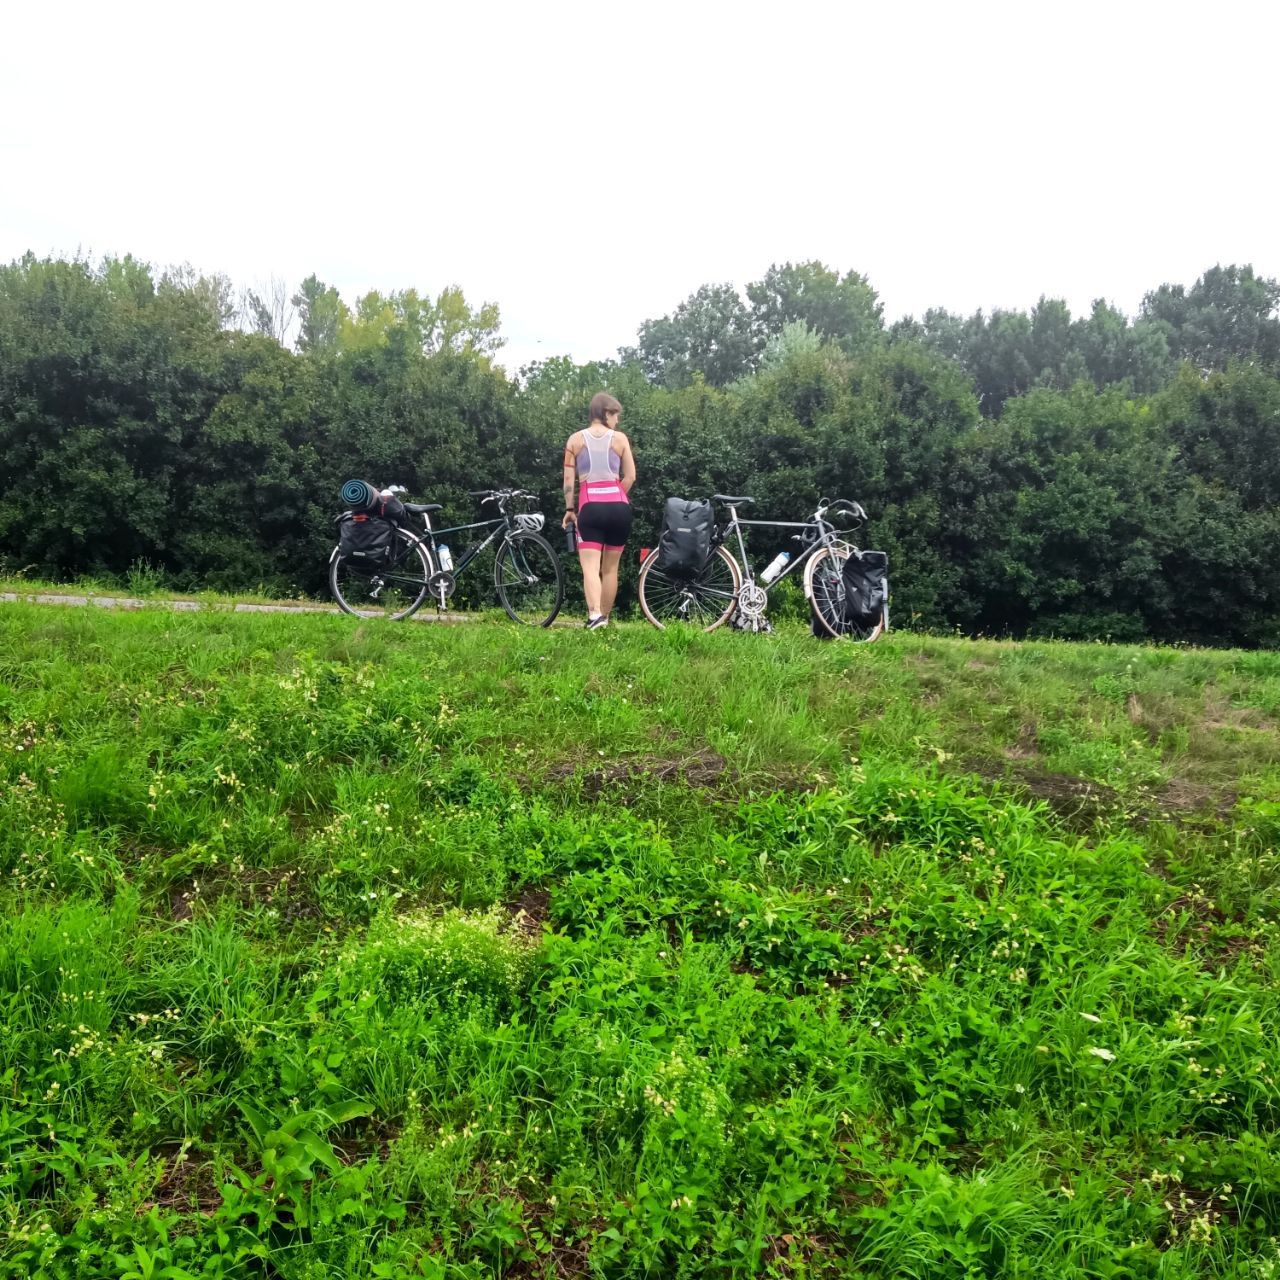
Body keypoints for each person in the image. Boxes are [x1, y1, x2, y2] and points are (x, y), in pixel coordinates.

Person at [562, 392, 636, 629]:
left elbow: (567, 480)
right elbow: (631, 476)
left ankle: (595, 616)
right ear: (604, 413)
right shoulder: (621, 439)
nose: (617, 420)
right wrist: (617, 495)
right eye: (615, 414)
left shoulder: (574, 440)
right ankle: (606, 617)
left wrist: (570, 509)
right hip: (619, 508)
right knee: (611, 568)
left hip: (590, 507)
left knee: (590, 568)